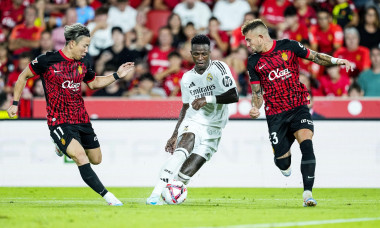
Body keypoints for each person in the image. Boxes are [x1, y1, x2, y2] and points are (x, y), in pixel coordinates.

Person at [7, 23, 135, 206]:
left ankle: (61, 147)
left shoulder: (83, 63)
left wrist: (117, 75)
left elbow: (93, 83)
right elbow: (23, 76)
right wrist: (15, 103)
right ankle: (109, 198)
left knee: (96, 159)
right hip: (58, 120)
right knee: (80, 157)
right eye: (85, 45)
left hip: (81, 118)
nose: (86, 50)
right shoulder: (47, 60)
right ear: (72, 43)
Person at [242, 19, 354, 207]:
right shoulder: (253, 62)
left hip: (298, 105)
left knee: (307, 143)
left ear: (260, 37)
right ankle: (282, 156)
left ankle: (307, 194)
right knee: (283, 164)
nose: (247, 44)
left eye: (249, 40)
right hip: (275, 115)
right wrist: (256, 107)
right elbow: (256, 93)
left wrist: (337, 61)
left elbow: (316, 57)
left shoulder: (289, 46)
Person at [146, 34, 239, 205]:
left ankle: (173, 190)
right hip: (194, 120)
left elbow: (233, 95)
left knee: (183, 177)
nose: (201, 57)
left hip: (215, 128)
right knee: (182, 150)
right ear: (191, 54)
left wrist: (207, 99)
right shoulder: (187, 78)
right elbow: (186, 107)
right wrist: (174, 135)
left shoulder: (219, 68)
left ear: (209, 52)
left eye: (204, 53)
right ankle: (154, 195)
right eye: (196, 54)